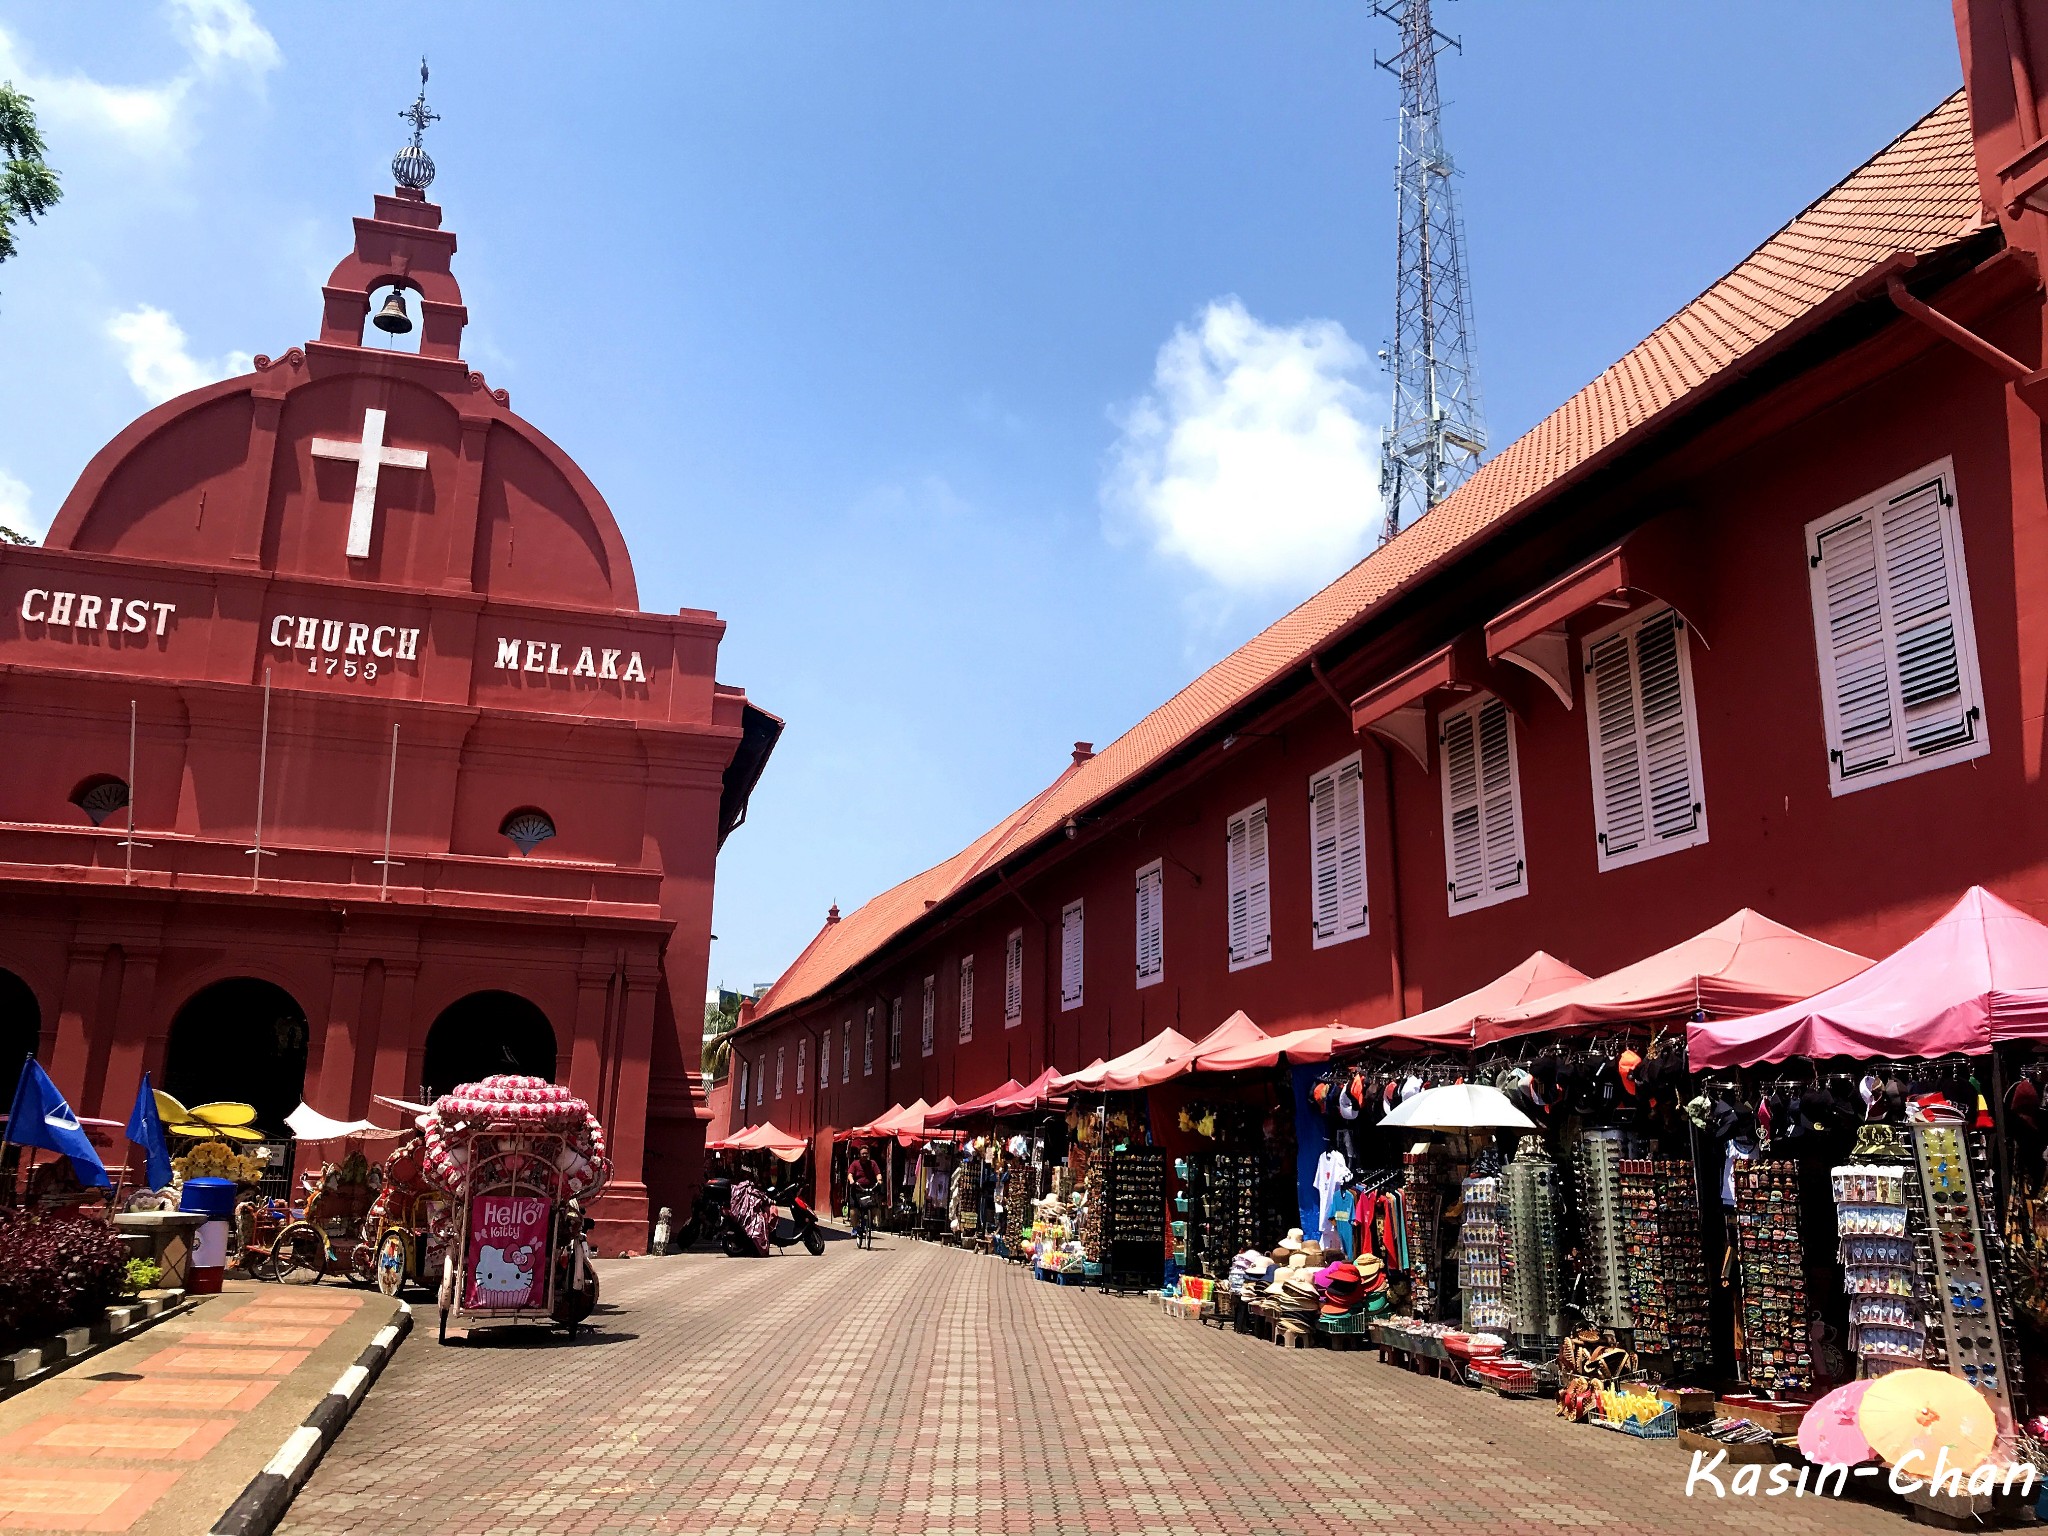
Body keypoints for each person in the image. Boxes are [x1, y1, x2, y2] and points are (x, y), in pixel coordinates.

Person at [847, 1144, 882, 1243]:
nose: (864, 1155)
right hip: (857, 1190)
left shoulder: (873, 1163)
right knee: (854, 1211)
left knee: (874, 1208)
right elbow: (850, 1174)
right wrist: (851, 1180)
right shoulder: (855, 1164)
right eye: (863, 1154)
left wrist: (879, 1180)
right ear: (859, 1154)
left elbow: (878, 1173)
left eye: (866, 1153)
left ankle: (869, 1223)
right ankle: (855, 1227)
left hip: (869, 1189)